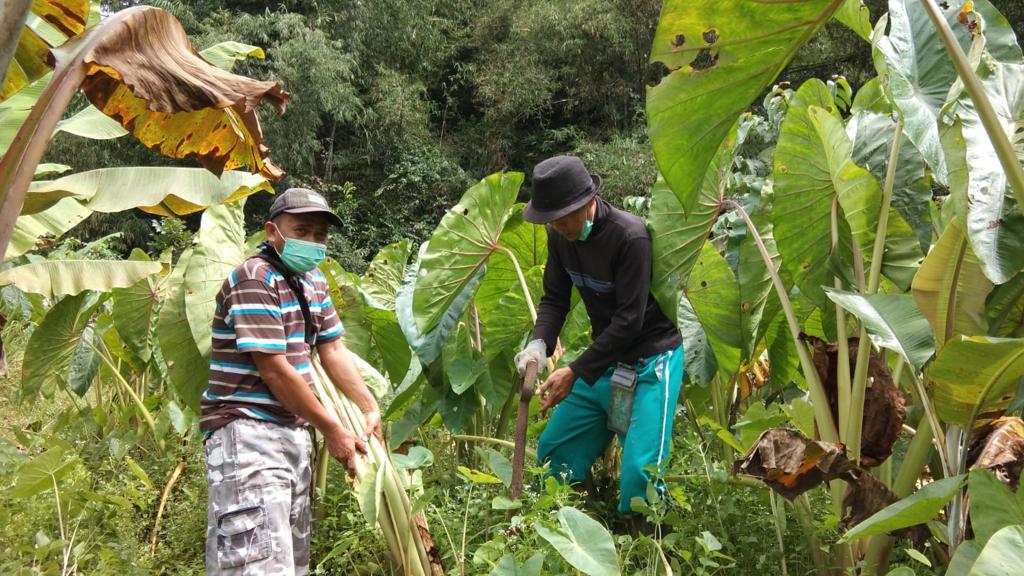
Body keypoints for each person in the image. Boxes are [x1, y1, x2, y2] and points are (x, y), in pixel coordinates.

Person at [200, 187, 382, 575]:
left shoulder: (313, 281)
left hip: (293, 433)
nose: (312, 242)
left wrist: (368, 406)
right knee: (256, 564)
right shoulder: (254, 277)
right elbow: (275, 369)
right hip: (247, 433)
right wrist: (333, 428)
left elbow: (333, 350)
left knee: (286, 563)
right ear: (272, 231)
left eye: (320, 235)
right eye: (302, 231)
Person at [515, 155, 683, 517]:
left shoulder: (629, 236)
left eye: (563, 218)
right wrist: (538, 345)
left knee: (641, 475)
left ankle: (648, 549)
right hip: (608, 360)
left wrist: (574, 371)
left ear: (587, 203)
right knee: (555, 451)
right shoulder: (560, 237)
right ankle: (581, 523)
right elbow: (555, 299)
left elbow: (629, 321)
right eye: (551, 221)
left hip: (652, 361)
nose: (558, 227)